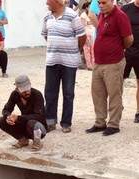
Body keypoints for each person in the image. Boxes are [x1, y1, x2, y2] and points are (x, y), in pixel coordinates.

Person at [85, 0, 133, 136]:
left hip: (113, 62)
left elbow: (129, 39)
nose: (100, 5)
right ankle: (100, 122)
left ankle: (113, 124)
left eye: (104, 2)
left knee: (114, 94)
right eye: (99, 2)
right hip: (99, 62)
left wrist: (117, 48)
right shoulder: (101, 15)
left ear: (112, 2)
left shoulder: (120, 16)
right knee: (98, 93)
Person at [42, 0, 86, 134]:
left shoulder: (73, 16)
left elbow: (82, 37)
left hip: (69, 62)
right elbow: (45, 35)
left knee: (68, 93)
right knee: (50, 93)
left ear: (57, 2)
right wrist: (56, 46)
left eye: (48, 1)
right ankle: (50, 121)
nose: (46, 3)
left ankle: (66, 123)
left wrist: (74, 50)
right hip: (52, 61)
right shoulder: (47, 18)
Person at [0, 75, 48, 151]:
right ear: (17, 89)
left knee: (31, 122)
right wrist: (8, 117)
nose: (27, 91)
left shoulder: (37, 94)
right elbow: (6, 110)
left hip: (38, 127)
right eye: (23, 89)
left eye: (28, 88)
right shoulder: (15, 94)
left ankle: (37, 142)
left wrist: (19, 118)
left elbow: (39, 116)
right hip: (25, 123)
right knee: (1, 120)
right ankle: (22, 139)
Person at [79, 1, 95, 70]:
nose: (91, 8)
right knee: (87, 50)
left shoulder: (92, 14)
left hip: (92, 33)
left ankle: (93, 64)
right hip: (86, 33)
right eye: (89, 7)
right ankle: (89, 65)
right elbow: (82, 25)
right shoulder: (83, 15)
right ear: (86, 8)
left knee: (92, 49)